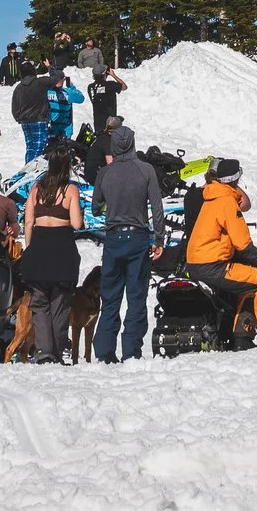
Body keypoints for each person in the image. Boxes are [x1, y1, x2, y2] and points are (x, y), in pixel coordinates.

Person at [185, 157, 257, 347]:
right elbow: (242, 243)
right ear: (235, 180)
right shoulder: (226, 202)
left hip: (197, 264)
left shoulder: (211, 197)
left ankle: (242, 336)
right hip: (213, 266)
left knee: (246, 282)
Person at [91, 124, 166, 363]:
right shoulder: (146, 170)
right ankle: (131, 350)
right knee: (136, 296)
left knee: (110, 297)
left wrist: (110, 207)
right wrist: (160, 238)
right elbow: (157, 207)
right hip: (138, 237)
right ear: (133, 143)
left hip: (113, 238)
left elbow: (95, 207)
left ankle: (104, 350)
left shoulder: (105, 173)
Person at [17, 144, 84, 363]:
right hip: (62, 249)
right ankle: (56, 349)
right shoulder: (70, 190)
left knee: (39, 304)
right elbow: (76, 223)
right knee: (60, 304)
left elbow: (27, 221)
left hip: (39, 247)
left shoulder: (36, 188)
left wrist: (30, 247)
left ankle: (43, 351)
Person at [89, 65, 127, 134]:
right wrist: (113, 75)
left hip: (97, 120)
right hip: (110, 121)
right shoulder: (110, 85)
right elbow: (124, 87)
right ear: (104, 74)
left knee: (100, 141)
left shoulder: (90, 87)